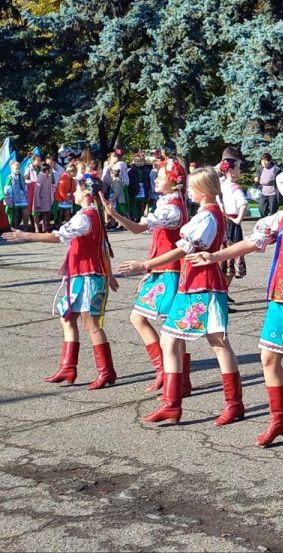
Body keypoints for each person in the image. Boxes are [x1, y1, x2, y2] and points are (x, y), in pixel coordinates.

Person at [188, 157, 283, 447]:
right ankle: (278, 419)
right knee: (268, 356)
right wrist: (215, 256)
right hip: (280, 296)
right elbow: (253, 241)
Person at [119, 167, 245, 426]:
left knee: (218, 342)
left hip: (205, 285)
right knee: (170, 340)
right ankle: (172, 403)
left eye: (192, 187)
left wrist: (144, 265)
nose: (188, 191)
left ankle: (233, 404)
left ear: (203, 190)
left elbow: (181, 250)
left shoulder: (208, 217)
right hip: (192, 284)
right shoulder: (205, 214)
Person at [1, 173, 120, 389]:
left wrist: (25, 235)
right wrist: (109, 274)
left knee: (91, 324)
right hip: (80, 276)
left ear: (85, 192)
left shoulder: (85, 217)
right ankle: (68, 367)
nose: (72, 192)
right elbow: (102, 247)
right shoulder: (89, 215)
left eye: (76, 189)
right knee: (67, 318)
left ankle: (106, 371)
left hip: (89, 277)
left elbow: (58, 236)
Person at [103, 158, 191, 395]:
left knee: (170, 328)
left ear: (174, 183)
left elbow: (141, 228)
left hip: (171, 269)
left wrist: (116, 215)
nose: (157, 180)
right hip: (160, 269)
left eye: (161, 177)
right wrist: (115, 215)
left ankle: (175, 375)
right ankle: (168, 372)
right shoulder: (166, 204)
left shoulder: (171, 208)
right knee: (143, 319)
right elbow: (139, 229)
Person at [217, 158, 248, 289]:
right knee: (232, 257)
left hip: (222, 221)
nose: (239, 170)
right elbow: (243, 204)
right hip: (232, 223)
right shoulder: (235, 188)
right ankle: (224, 290)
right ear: (230, 170)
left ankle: (221, 290)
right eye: (237, 168)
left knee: (222, 255)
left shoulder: (220, 184)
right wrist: (238, 219)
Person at [4, 159, 29, 230]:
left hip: (23, 197)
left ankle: (25, 228)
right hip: (14, 198)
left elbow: (25, 186)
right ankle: (15, 229)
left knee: (25, 213)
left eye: (18, 167)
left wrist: (26, 195)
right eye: (16, 167)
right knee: (16, 214)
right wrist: (9, 200)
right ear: (12, 168)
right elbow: (7, 189)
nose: (18, 169)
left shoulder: (21, 176)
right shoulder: (9, 177)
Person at [256, 152, 281, 218]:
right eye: (262, 160)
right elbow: (258, 178)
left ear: (270, 161)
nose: (264, 162)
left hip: (273, 193)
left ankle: (272, 224)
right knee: (261, 209)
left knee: (273, 211)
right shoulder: (260, 169)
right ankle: (265, 220)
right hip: (263, 193)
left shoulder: (276, 169)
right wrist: (256, 180)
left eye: (266, 161)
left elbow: (279, 181)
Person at [127, 152, 150, 222]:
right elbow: (130, 181)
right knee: (134, 204)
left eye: (139, 161)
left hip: (142, 188)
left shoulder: (144, 170)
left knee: (141, 203)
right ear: (133, 161)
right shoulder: (131, 171)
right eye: (137, 161)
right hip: (135, 188)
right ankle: (134, 217)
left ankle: (141, 217)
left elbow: (147, 180)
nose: (138, 162)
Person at [32, 164, 54, 233]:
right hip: (40, 199)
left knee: (46, 214)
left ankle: (45, 228)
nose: (51, 171)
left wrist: (51, 198)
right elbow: (36, 191)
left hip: (47, 199)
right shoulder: (40, 178)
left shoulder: (49, 177)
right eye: (50, 169)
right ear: (47, 171)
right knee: (37, 214)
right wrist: (37, 202)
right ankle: (37, 229)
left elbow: (50, 188)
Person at [54, 164, 77, 229]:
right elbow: (61, 190)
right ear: (70, 172)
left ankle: (66, 226)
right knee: (62, 213)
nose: (76, 173)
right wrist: (66, 198)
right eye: (75, 172)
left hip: (68, 198)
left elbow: (73, 190)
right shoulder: (64, 178)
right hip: (62, 198)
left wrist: (71, 198)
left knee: (67, 212)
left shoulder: (72, 180)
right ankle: (59, 225)